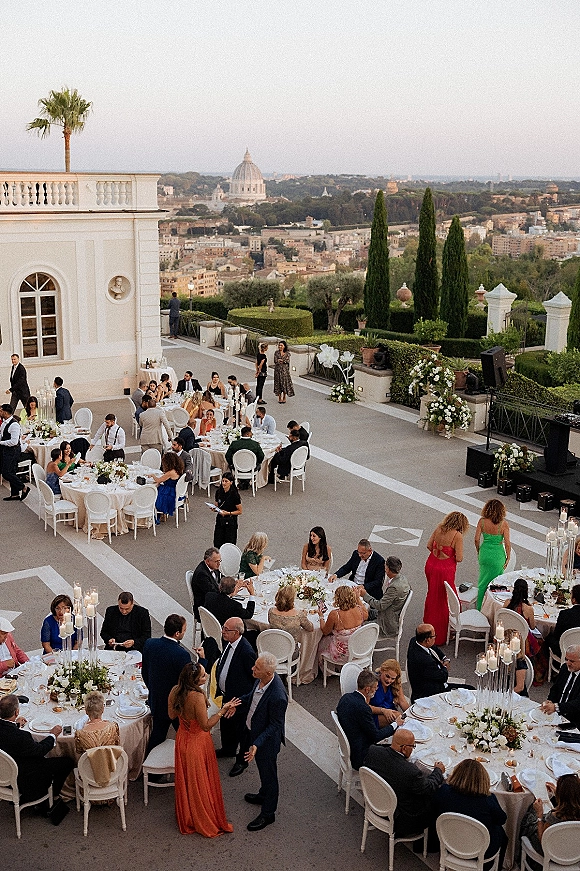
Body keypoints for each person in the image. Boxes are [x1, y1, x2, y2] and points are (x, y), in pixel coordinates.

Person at [168, 661, 239, 836]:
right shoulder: (197, 697)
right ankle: (201, 816)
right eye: (203, 675)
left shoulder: (175, 691)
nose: (206, 676)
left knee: (188, 781)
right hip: (197, 743)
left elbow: (171, 715)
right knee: (199, 782)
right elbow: (206, 726)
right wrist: (222, 711)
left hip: (182, 739)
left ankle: (188, 815)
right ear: (194, 680)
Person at [229, 653, 288, 832]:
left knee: (269, 776)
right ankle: (263, 795)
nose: (252, 669)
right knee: (264, 772)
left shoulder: (278, 696)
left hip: (266, 743)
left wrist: (257, 743)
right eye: (254, 665)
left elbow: (275, 725)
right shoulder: (260, 679)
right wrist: (236, 703)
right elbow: (251, 697)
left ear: (269, 673)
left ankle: (268, 813)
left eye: (257, 668)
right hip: (253, 731)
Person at [364, 727, 445, 838]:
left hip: (374, 801)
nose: (412, 750)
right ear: (404, 748)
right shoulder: (411, 772)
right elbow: (429, 787)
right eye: (412, 746)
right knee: (439, 795)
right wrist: (438, 771)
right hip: (402, 818)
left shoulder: (373, 751)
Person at [0, 694, 74, 809]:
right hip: (24, 775)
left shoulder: (14, 732)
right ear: (16, 712)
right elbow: (40, 750)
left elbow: (8, 734)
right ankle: (51, 795)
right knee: (67, 762)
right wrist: (52, 735)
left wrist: (16, 724)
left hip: (4, 771)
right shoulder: (23, 737)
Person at [436, 759, 508, 869]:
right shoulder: (488, 800)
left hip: (450, 842)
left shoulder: (444, 791)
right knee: (502, 833)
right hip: (481, 852)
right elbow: (502, 819)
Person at [142, 614, 192, 752]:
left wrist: (153, 689)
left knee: (157, 735)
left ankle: (150, 767)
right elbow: (188, 683)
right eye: (184, 630)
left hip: (156, 700)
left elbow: (145, 672)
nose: (184, 632)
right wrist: (203, 661)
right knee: (186, 734)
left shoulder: (150, 644)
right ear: (177, 633)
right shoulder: (182, 655)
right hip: (175, 704)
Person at [336, 668, 403, 770]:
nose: (376, 690)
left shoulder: (345, 698)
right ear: (367, 689)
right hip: (360, 756)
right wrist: (395, 724)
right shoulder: (363, 709)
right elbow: (376, 736)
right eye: (375, 688)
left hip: (351, 744)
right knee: (398, 755)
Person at [214, 617, 257, 759]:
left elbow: (254, 679)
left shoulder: (246, 652)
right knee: (226, 726)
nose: (223, 631)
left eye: (227, 629)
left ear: (237, 632)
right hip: (226, 696)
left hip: (238, 700)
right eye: (223, 627)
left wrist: (241, 702)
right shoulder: (229, 642)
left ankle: (242, 761)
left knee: (242, 731)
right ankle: (228, 749)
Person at [423, 511, 469, 645]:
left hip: (431, 564)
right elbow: (459, 558)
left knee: (432, 595)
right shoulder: (457, 536)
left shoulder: (439, 528)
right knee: (443, 599)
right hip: (444, 570)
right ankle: (441, 634)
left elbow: (429, 545)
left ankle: (428, 628)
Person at [520, 773, 580, 868]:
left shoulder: (555, 816)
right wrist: (558, 793)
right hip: (573, 851)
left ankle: (519, 856)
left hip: (550, 852)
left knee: (530, 814)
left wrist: (539, 815)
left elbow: (542, 839)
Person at [407, 623, 472, 702]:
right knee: (471, 691)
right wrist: (444, 666)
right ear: (427, 640)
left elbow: (433, 646)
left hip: (424, 684)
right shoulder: (426, 661)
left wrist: (444, 658)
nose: (435, 638)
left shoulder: (415, 641)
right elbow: (443, 676)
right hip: (430, 694)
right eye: (434, 636)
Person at [359, 556, 411, 639]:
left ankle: (364, 648)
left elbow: (380, 606)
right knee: (361, 612)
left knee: (357, 627)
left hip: (386, 622)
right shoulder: (402, 579)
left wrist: (364, 594)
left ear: (388, 569)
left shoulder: (394, 587)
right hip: (389, 612)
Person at [317, 585, 368, 667]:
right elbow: (366, 616)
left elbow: (325, 631)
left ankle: (325, 669)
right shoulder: (360, 609)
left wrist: (321, 616)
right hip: (358, 649)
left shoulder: (335, 614)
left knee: (320, 641)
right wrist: (357, 598)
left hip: (343, 653)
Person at [475, 498, 511, 610]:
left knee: (482, 582)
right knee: (497, 584)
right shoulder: (503, 524)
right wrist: (508, 557)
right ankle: (493, 609)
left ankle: (479, 608)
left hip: (485, 552)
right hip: (498, 555)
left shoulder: (482, 521)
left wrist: (479, 551)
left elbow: (476, 539)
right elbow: (508, 544)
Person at [540, 644, 580, 726]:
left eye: (572, 661)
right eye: (566, 659)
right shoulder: (565, 668)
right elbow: (555, 688)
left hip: (575, 719)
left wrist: (556, 707)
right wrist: (550, 701)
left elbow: (578, 703)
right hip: (557, 714)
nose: (568, 663)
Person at [505, 577, 541, 657]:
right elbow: (532, 627)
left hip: (507, 635)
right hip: (522, 640)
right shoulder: (528, 609)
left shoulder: (507, 603)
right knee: (541, 641)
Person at [369, 658, 410, 727]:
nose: (389, 680)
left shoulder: (395, 683)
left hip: (391, 712)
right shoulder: (373, 681)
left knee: (406, 718)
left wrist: (411, 714)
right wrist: (383, 710)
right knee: (400, 718)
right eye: (387, 676)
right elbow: (365, 706)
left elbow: (402, 701)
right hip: (375, 714)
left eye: (392, 678)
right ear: (382, 670)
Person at [0, 405, 29, 501]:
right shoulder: (4, 423)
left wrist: (1, 443)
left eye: (1, 411)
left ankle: (24, 487)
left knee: (6, 473)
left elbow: (14, 442)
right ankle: (15, 494)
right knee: (11, 471)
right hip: (6, 450)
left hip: (13, 450)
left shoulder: (14, 425)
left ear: (5, 412)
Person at [547, 584, 580, 656]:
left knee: (548, 637)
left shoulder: (565, 614)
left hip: (565, 650)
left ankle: (544, 663)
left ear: (573, 600)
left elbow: (556, 635)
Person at [151, 451, 184, 521]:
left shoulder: (170, 473)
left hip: (169, 492)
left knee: (153, 492)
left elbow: (158, 480)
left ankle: (158, 513)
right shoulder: (178, 469)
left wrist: (152, 475)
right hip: (175, 491)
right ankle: (163, 514)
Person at [190, 547, 222, 618]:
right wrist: (228, 590)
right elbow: (212, 591)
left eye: (220, 561)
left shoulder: (213, 567)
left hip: (213, 600)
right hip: (205, 608)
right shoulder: (202, 574)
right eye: (216, 561)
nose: (219, 564)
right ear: (207, 561)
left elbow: (221, 579)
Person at [213, 472, 242, 548]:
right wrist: (215, 508)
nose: (224, 483)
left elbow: (240, 511)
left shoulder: (234, 495)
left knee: (229, 543)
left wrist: (228, 513)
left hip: (230, 521)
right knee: (218, 542)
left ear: (231, 482)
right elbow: (217, 505)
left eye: (226, 481)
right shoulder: (218, 492)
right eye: (223, 481)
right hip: (220, 519)